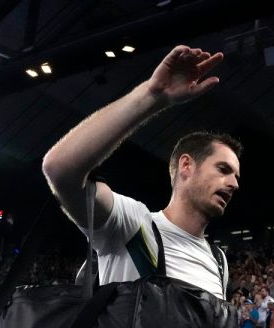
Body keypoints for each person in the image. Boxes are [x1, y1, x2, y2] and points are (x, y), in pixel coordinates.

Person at [41, 44, 238, 298]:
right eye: (223, 169)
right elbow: (59, 168)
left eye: (236, 175)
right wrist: (153, 96)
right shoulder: (134, 227)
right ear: (186, 166)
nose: (234, 183)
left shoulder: (219, 261)